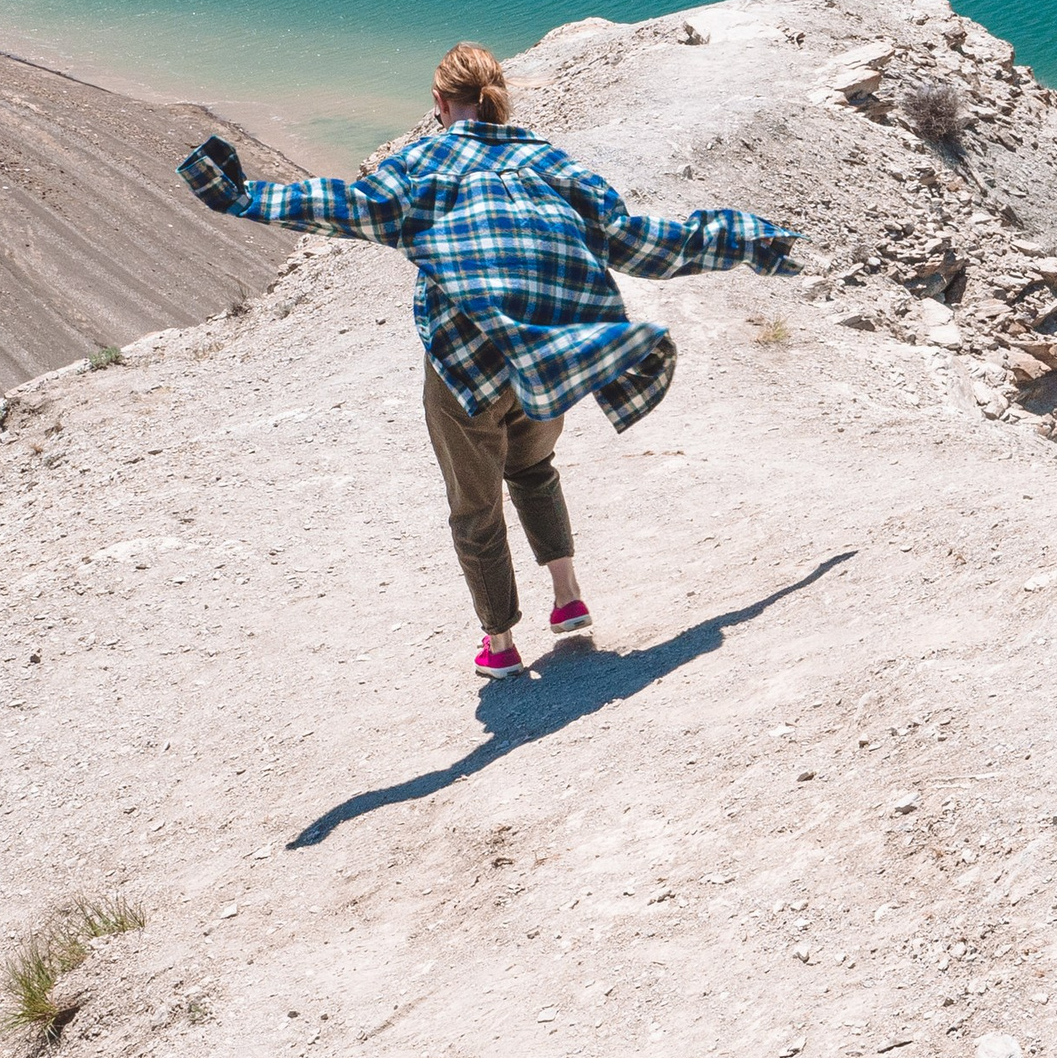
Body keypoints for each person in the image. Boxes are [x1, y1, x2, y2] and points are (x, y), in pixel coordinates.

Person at [179, 41, 794, 677]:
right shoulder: (548, 160)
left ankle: (500, 644)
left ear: (439, 102)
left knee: (475, 508)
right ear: (499, 95)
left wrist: (240, 195)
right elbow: (638, 241)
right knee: (534, 469)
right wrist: (741, 240)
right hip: (546, 362)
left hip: (465, 364)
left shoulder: (419, 163)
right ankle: (568, 598)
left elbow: (344, 205)